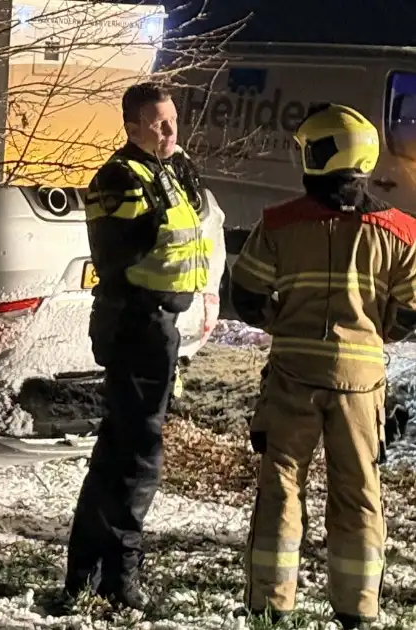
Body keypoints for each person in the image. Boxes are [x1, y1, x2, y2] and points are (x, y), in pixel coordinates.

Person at [229, 102, 416, 629]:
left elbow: (244, 294)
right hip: (361, 384)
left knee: (281, 485)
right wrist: (377, 333)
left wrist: (283, 325)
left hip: (292, 376)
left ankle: (270, 603)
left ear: (321, 154)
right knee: (359, 491)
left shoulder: (280, 223)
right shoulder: (401, 230)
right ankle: (357, 610)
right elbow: (411, 311)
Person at [62, 81, 213, 611]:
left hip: (159, 325)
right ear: (131, 126)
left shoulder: (173, 168)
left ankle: (86, 572)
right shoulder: (119, 179)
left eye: (173, 119)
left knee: (118, 450)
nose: (171, 130)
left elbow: (194, 232)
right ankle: (118, 579)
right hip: (136, 325)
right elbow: (119, 255)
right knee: (137, 456)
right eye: (158, 123)